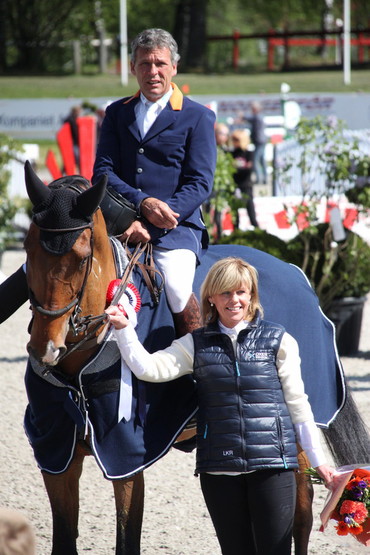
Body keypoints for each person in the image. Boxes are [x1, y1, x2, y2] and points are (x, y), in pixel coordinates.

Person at [105, 256, 336, 555]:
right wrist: (124, 330)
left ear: (251, 295)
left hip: (273, 467)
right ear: (211, 298)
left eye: (241, 291)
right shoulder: (195, 343)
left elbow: (298, 405)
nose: (234, 300)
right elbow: (148, 368)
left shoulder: (280, 340)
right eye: (226, 292)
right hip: (219, 471)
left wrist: (320, 463)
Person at [93, 28, 217, 337]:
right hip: (120, 222)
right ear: (133, 68)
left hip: (176, 228)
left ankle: (197, 361)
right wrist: (139, 205)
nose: (153, 72)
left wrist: (156, 221)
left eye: (160, 63)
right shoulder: (116, 113)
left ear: (174, 67)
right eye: (145, 64)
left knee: (176, 286)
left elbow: (200, 182)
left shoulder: (197, 117)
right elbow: (103, 173)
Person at [230, 128, 259, 229]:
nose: (234, 142)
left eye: (236, 140)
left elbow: (249, 169)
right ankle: (236, 229)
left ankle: (255, 226)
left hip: (246, 184)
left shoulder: (248, 153)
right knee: (234, 208)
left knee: (249, 207)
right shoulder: (232, 153)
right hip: (234, 184)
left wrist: (237, 169)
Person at [246, 101, 267, 185]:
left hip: (259, 141)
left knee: (255, 161)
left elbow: (249, 118)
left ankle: (259, 179)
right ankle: (264, 178)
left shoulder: (257, 117)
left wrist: (242, 116)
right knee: (262, 160)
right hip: (260, 141)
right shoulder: (259, 116)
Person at [63, 105, 81, 171]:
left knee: (72, 158)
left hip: (74, 142)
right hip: (72, 142)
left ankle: (64, 171)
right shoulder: (70, 119)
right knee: (75, 157)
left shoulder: (75, 119)